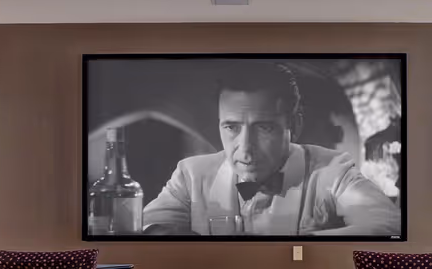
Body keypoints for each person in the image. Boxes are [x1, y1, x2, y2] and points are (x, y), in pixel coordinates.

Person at [141, 62, 402, 236]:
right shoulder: (191, 174)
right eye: (231, 127)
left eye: (263, 128)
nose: (245, 149)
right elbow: (149, 225)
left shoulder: (333, 171)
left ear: (294, 124)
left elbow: (385, 223)